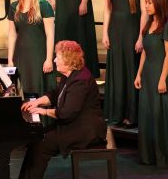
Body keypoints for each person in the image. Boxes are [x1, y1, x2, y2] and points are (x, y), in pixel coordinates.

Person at [19, 40, 106, 179]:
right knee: (36, 139)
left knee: (40, 145)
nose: (54, 60)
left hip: (85, 130)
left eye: (57, 58)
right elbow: (55, 94)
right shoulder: (70, 75)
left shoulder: (80, 81)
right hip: (74, 124)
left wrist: (45, 111)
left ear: (68, 61)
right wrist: (37, 102)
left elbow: (66, 114)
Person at [103, 0, 150, 127]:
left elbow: (145, 12)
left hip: (132, 30)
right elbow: (108, 9)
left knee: (131, 69)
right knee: (117, 72)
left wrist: (141, 36)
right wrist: (105, 32)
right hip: (115, 30)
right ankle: (117, 113)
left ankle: (132, 114)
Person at [134, 0, 168, 167]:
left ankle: (164, 156)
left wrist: (162, 79)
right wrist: (138, 74)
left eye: (149, 2)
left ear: (159, 3)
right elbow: (144, 53)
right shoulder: (147, 26)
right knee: (147, 113)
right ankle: (149, 155)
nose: (146, 6)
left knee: (159, 113)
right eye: (145, 2)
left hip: (160, 73)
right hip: (147, 74)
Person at [8, 0, 55, 96]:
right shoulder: (14, 7)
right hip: (21, 56)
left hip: (39, 56)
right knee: (22, 91)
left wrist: (49, 59)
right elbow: (12, 35)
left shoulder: (44, 6)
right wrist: (9, 59)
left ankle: (42, 115)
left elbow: (50, 34)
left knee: (39, 90)